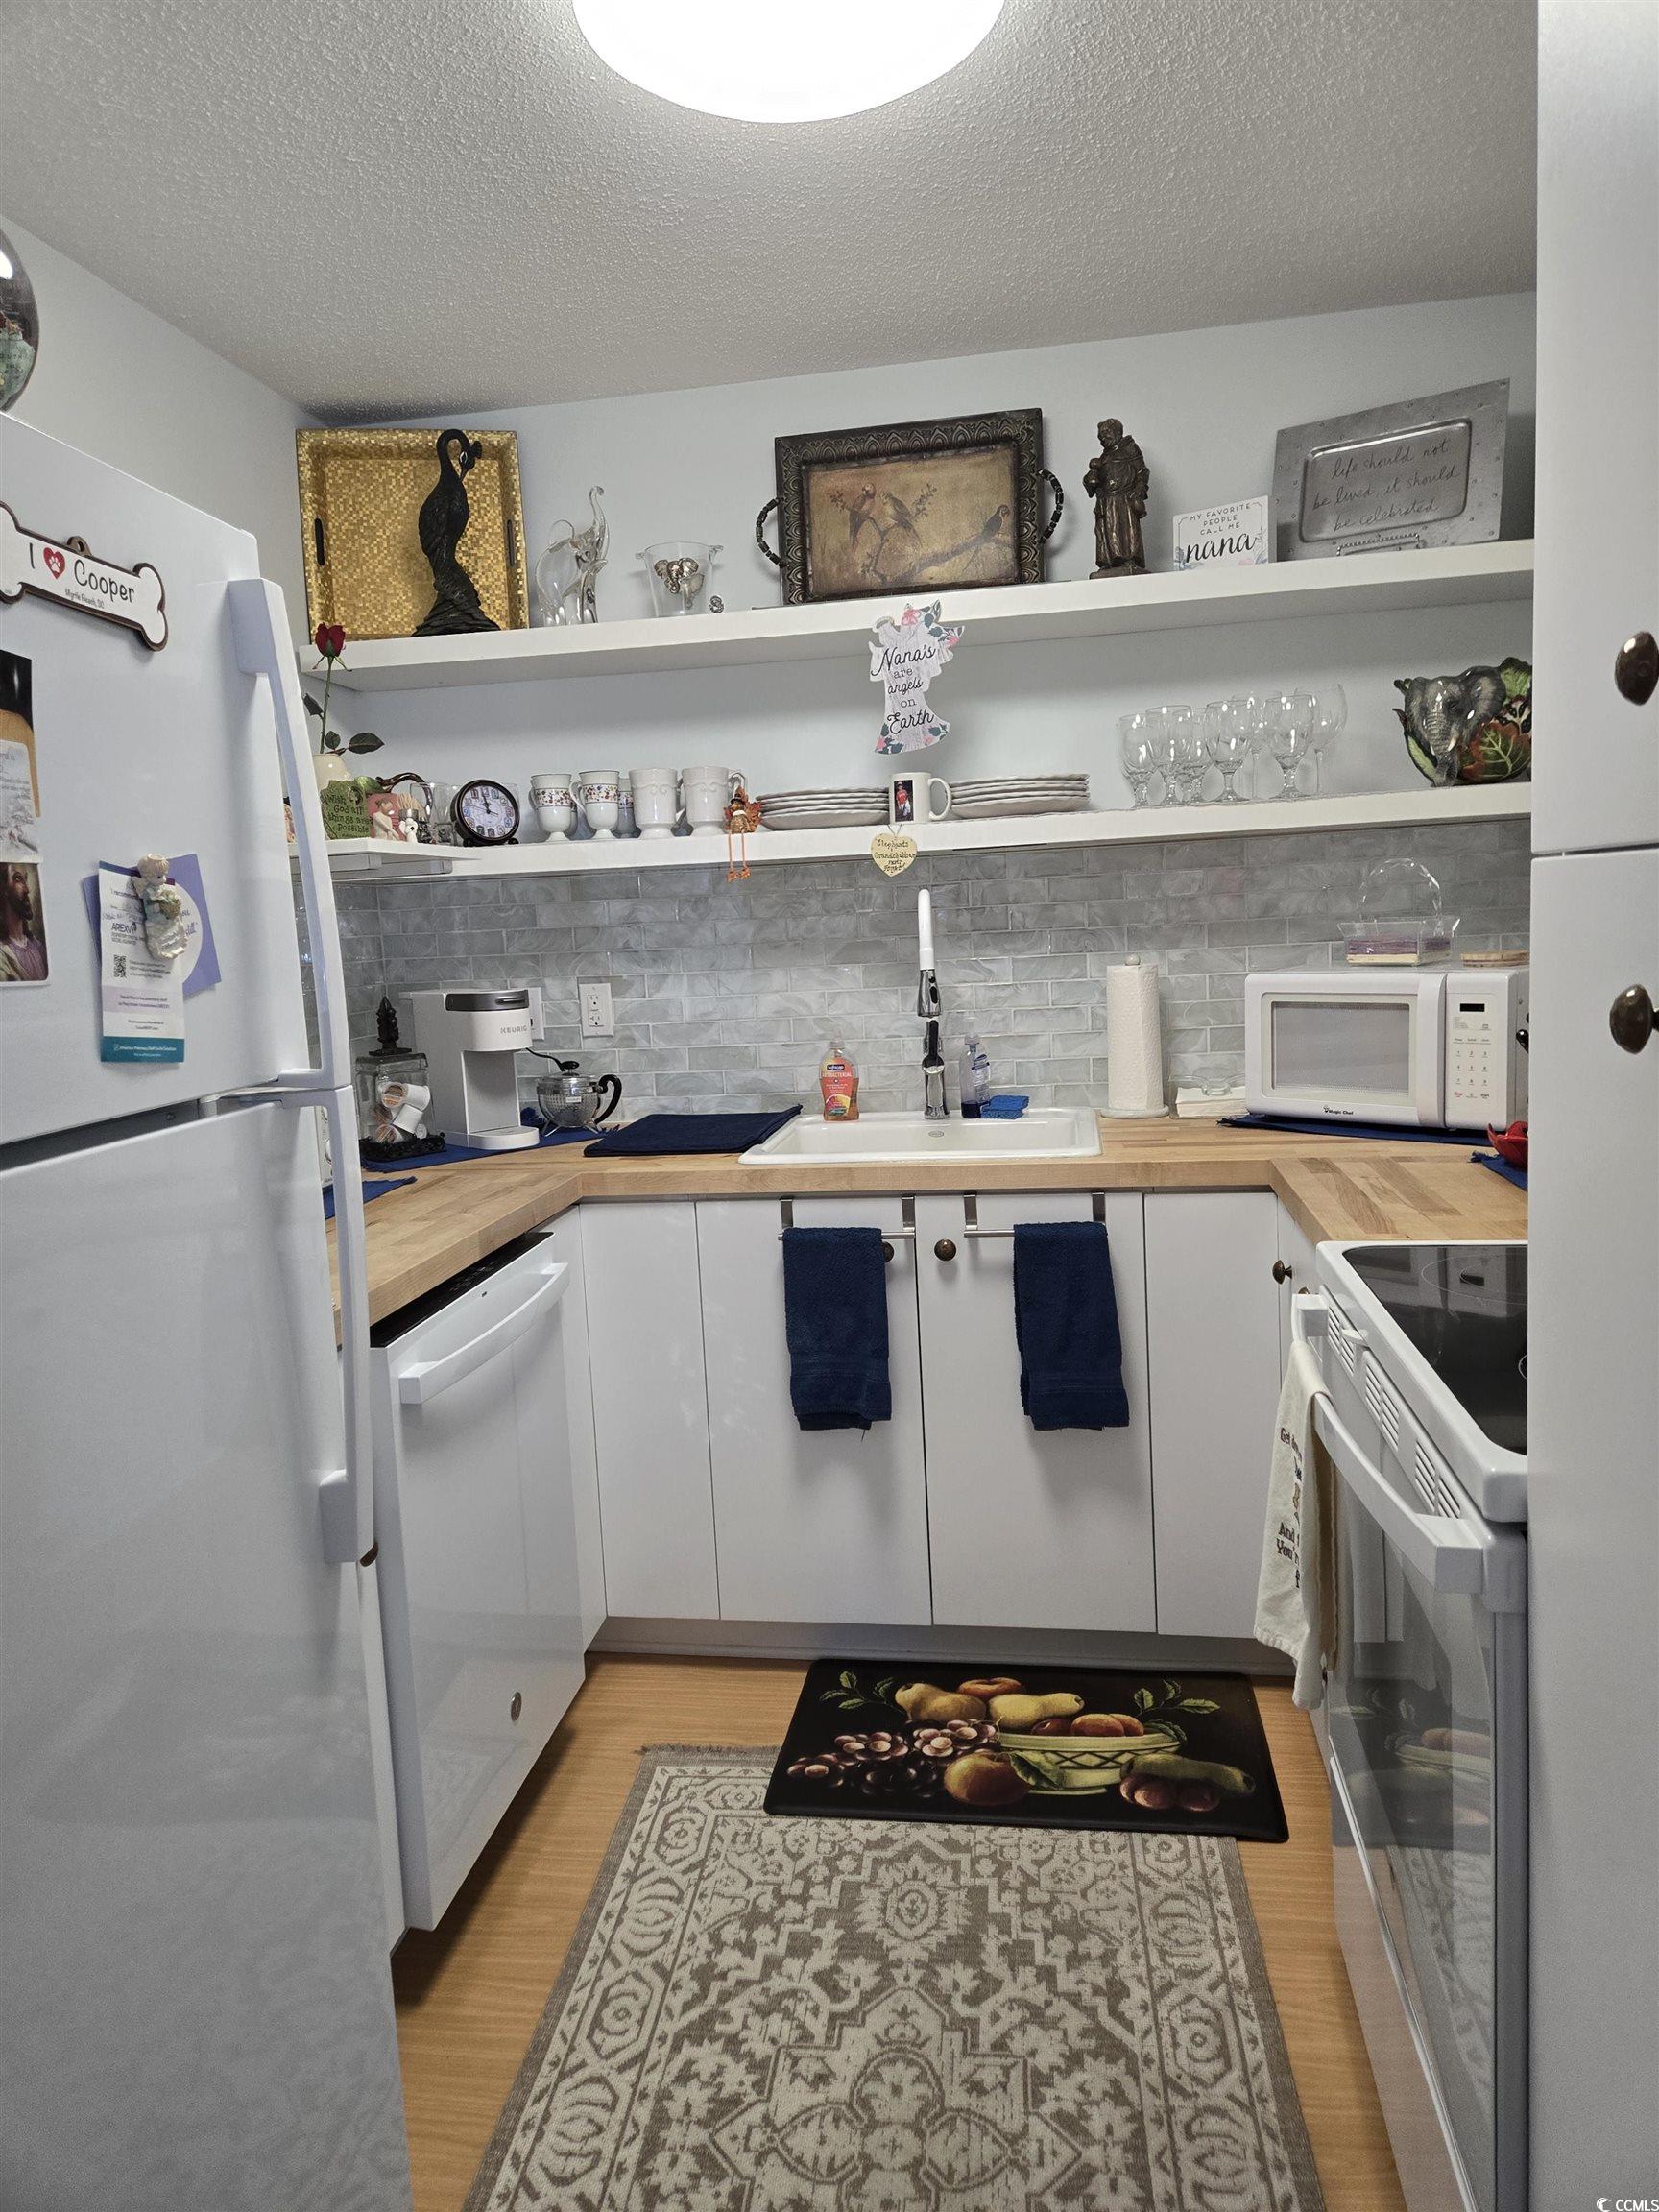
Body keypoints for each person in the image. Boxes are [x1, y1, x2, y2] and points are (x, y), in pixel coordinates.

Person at [1083, 419, 1150, 577]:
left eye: (1106, 434)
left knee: (1126, 528)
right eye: (1100, 436)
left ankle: (1130, 559)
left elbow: (1142, 472)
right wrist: (1090, 478)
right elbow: (1093, 483)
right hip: (1106, 500)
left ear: (1117, 432)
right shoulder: (1103, 457)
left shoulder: (1130, 448)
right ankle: (1108, 561)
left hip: (1125, 498)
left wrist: (1139, 489)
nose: (1103, 438)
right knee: (1106, 531)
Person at [1, 860, 47, 981]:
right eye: (17, 879)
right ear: (4, 888)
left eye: (25, 879)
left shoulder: (38, 947)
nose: (27, 889)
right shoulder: (3, 955)